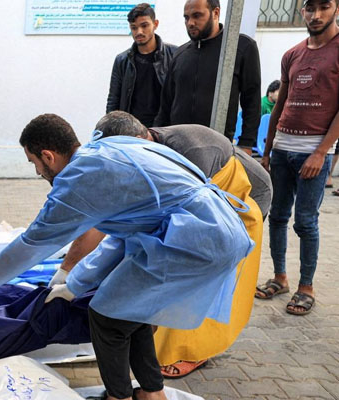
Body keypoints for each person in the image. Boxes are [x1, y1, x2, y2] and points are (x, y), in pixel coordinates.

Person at [0, 113, 254, 400]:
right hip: (207, 229)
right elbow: (118, 238)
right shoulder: (101, 152)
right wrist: (75, 285)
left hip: (195, 239)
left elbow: (28, 247)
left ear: (48, 156)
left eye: (34, 163)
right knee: (132, 309)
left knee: (105, 315)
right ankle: (152, 393)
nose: (36, 172)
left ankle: (119, 397)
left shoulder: (78, 182)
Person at [82, 111, 269, 378]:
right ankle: (161, 360)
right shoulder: (144, 148)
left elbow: (179, 223)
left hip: (241, 205)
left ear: (141, 139)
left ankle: (193, 352)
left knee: (204, 284)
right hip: (204, 208)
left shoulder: (191, 153)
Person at [256, 0, 339, 316]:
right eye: (309, 7)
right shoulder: (292, 54)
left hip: (313, 152)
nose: (316, 14)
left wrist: (321, 152)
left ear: (336, 8)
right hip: (281, 151)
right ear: (302, 11)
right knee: (277, 216)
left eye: (324, 6)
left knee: (306, 221)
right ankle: (280, 277)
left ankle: (307, 287)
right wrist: (267, 151)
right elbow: (280, 104)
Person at [154, 0, 262, 154]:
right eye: (186, 17)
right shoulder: (180, 54)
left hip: (217, 149)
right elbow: (166, 104)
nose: (190, 22)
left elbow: (251, 100)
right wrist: (157, 138)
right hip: (177, 148)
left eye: (197, 15)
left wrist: (246, 143)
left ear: (215, 13)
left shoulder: (240, 47)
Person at [106, 3, 177, 127]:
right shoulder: (122, 60)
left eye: (144, 26)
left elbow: (179, 98)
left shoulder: (175, 55)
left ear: (155, 24)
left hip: (164, 129)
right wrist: (111, 132)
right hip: (131, 130)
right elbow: (113, 100)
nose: (139, 32)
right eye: (134, 27)